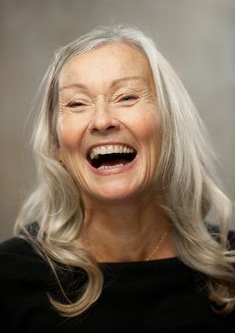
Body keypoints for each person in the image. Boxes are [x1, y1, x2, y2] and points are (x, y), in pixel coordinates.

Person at [0, 24, 234, 333]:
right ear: (57, 145)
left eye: (126, 97)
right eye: (77, 103)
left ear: (169, 127)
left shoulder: (228, 268)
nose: (101, 121)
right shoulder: (9, 277)